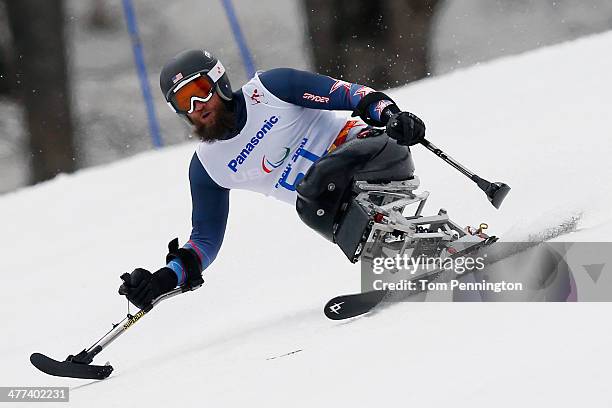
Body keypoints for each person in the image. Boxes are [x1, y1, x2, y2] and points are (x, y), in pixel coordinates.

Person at [119, 49, 426, 309]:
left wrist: (390, 114)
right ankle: (427, 253)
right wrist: (163, 279)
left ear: (219, 81)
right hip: (331, 205)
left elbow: (349, 94)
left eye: (198, 92)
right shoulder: (208, 167)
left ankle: (417, 254)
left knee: (315, 188)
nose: (195, 107)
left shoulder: (269, 90)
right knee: (312, 202)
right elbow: (204, 241)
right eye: (182, 101)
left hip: (374, 155)